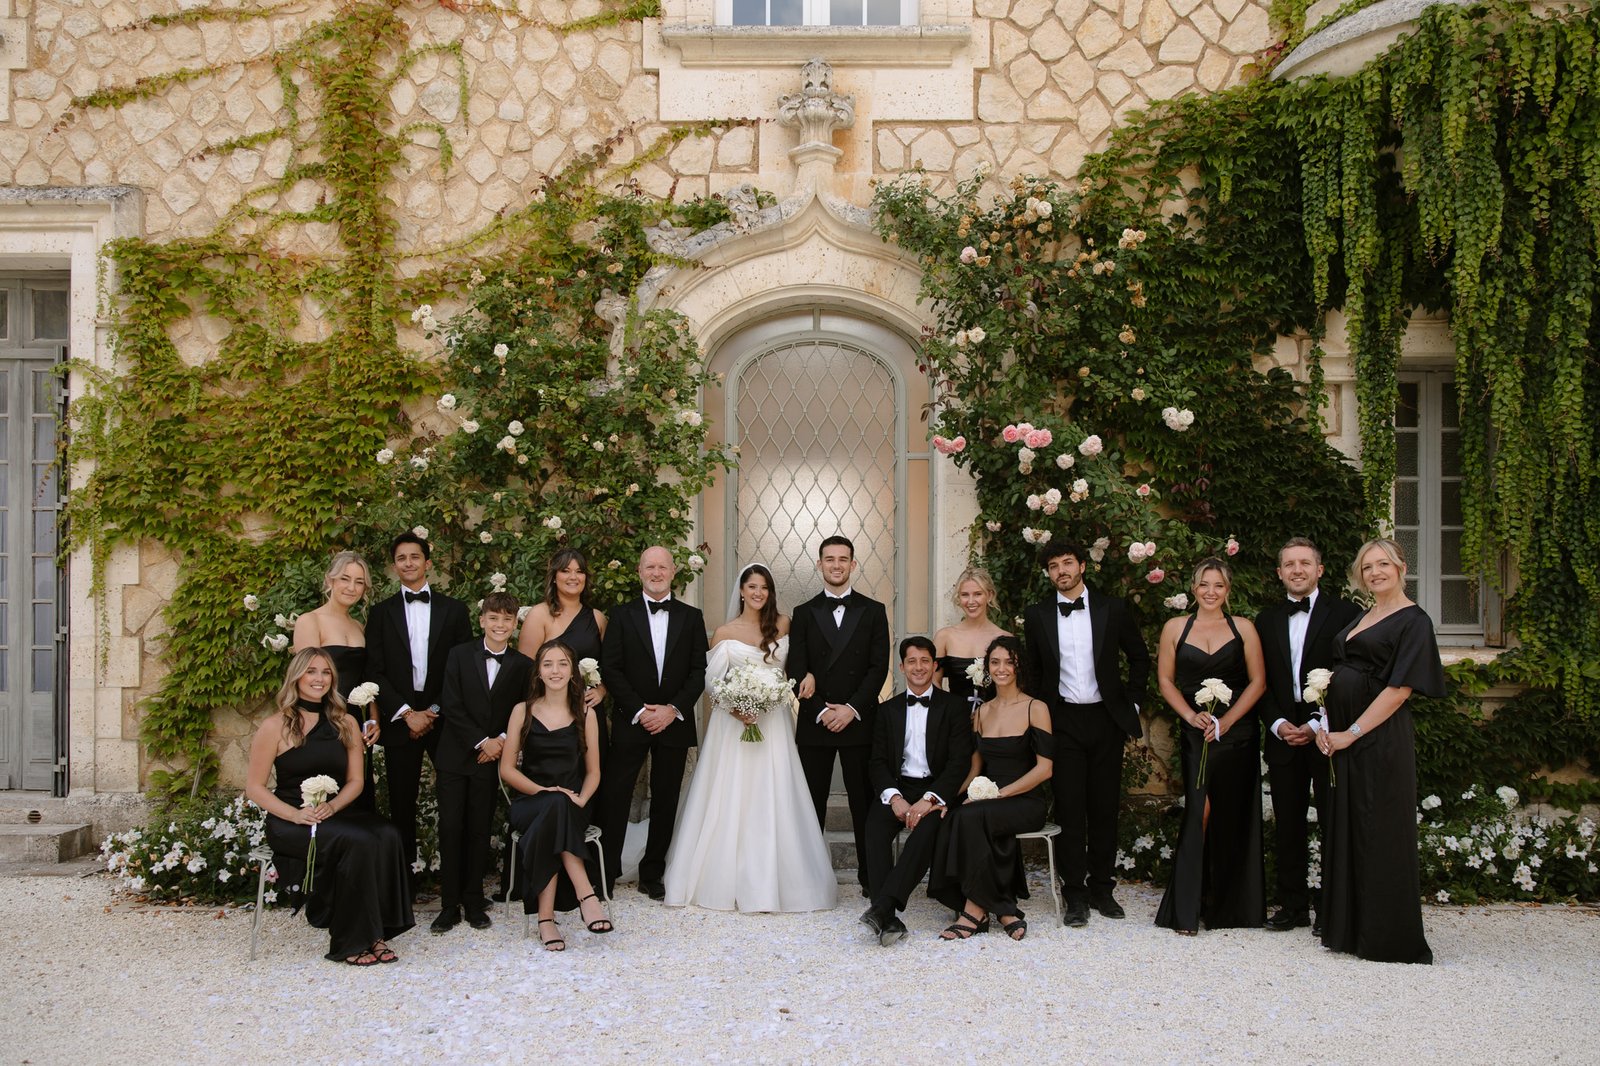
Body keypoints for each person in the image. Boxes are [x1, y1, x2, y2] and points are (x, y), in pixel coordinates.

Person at [663, 563, 837, 912]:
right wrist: (734, 707)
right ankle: (722, 880)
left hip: (773, 723)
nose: (758, 593)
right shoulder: (724, 632)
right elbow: (711, 684)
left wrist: (810, 676)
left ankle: (779, 881)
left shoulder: (784, 624)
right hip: (733, 726)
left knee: (773, 794)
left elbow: (797, 664)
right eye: (752, 587)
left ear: (770, 592)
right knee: (730, 796)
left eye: (764, 588)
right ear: (741, 591)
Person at [1317, 538, 1444, 964]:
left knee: (1380, 830)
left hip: (1378, 739)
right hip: (1344, 739)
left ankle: (1387, 938)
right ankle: (1350, 929)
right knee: (1349, 825)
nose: (1375, 572)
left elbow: (1400, 689)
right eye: (1368, 567)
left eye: (1383, 564)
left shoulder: (1415, 622)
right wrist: (1325, 726)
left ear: (1401, 567)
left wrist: (1351, 732)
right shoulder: (1364, 615)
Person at [244, 648, 413, 964]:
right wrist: (295, 813)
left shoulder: (346, 722)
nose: (319, 679)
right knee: (358, 840)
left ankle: (377, 931)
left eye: (325, 672)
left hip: (334, 813)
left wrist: (333, 807)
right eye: (311, 671)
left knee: (388, 832)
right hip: (291, 820)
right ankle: (351, 940)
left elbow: (355, 782)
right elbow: (254, 788)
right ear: (296, 677)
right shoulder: (275, 726)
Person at [1022, 541, 1151, 928]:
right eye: (1054, 566)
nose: (1061, 570)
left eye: (1067, 563)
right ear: (1048, 573)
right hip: (1062, 723)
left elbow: (1139, 657)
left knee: (1104, 807)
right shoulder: (1037, 615)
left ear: (1082, 567)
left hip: (1106, 719)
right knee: (1069, 809)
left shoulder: (1112, 609)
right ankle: (1074, 893)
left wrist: (1132, 705)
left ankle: (1102, 888)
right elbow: (1035, 671)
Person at [1153, 558, 1268, 935]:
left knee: (1233, 814)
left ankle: (1230, 907)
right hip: (1195, 732)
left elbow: (1258, 682)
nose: (1211, 592)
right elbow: (1166, 681)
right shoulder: (1174, 627)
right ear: (1193, 587)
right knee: (1199, 812)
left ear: (1228, 590)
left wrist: (1228, 720)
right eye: (1204, 584)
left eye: (1218, 585)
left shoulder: (1244, 628)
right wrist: (1190, 716)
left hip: (1237, 735)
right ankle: (1186, 909)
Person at [1256, 537, 1361, 933]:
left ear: (1319, 570)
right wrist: (1278, 724)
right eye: (1289, 564)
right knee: (1288, 824)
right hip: (1282, 735)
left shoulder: (1348, 614)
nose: (1296, 570)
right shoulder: (1265, 620)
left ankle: (1333, 907)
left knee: (1335, 820)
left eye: (1304, 563)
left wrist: (1319, 723)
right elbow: (1258, 681)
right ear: (1279, 573)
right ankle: (1292, 906)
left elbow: (1351, 676)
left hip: (1329, 734)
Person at [598, 546, 709, 900]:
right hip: (632, 720)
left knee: (666, 799)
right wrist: (640, 711)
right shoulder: (621, 615)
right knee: (616, 796)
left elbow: (697, 672)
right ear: (639, 570)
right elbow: (610, 667)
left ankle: (653, 873)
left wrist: (671, 709)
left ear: (673, 571)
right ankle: (606, 873)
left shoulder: (691, 617)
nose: (656, 572)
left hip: (674, 722)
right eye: (650, 566)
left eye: (662, 566)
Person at [364, 531, 473, 881]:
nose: (408, 563)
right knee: (400, 805)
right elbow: (374, 670)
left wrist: (433, 712)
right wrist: (407, 714)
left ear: (428, 562)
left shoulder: (454, 611)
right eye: (401, 558)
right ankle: (402, 887)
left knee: (455, 803)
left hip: (446, 721)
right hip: (400, 723)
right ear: (395, 566)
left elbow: (463, 669)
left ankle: (455, 884)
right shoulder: (380, 614)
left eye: (415, 557)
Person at [929, 636, 1053, 941]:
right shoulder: (982, 712)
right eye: (995, 662)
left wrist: (1001, 793)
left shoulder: (1035, 708)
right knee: (961, 814)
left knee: (974, 816)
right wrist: (950, 798)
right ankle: (1003, 908)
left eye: (1009, 662)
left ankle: (973, 911)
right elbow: (975, 768)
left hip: (1026, 801)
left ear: (1019, 665)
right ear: (987, 668)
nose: (1001, 669)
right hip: (990, 804)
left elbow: (1045, 769)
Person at [786, 535, 891, 898]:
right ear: (819, 565)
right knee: (809, 801)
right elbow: (796, 667)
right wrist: (820, 711)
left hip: (859, 720)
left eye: (842, 559)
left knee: (864, 802)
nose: (836, 565)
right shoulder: (802, 613)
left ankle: (870, 878)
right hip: (816, 721)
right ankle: (810, 879)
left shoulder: (874, 610)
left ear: (853, 565)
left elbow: (879, 668)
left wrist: (851, 709)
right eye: (829, 559)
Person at [859, 635, 973, 944]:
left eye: (925, 661)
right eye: (912, 661)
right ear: (901, 667)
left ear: (935, 666)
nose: (919, 667)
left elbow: (959, 763)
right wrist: (894, 798)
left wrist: (930, 799)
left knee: (924, 833)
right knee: (874, 828)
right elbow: (878, 761)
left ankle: (883, 908)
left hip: (936, 790)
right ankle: (888, 916)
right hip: (898, 787)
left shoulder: (955, 707)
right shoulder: (888, 710)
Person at [431, 591, 533, 935]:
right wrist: (481, 740)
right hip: (456, 755)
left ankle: (474, 900)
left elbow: (523, 710)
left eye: (507, 619)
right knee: (450, 827)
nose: (499, 624)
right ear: (482, 620)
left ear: (515, 624)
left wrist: (502, 742)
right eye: (494, 618)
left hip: (491, 760)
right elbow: (451, 703)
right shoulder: (459, 655)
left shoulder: (522, 665)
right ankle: (449, 904)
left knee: (479, 828)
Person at [501, 640, 612, 950]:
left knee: (558, 809)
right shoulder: (522, 711)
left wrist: (581, 798)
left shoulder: (585, 713)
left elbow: (594, 772)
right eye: (548, 664)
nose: (555, 670)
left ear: (573, 672)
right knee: (554, 804)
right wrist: (544, 790)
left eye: (562, 663)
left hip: (573, 805)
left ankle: (545, 920)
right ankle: (587, 895)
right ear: (538, 672)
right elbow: (507, 770)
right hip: (529, 801)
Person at [293, 550, 378, 810]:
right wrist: (338, 719)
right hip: (323, 720)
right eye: (345, 579)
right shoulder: (310, 621)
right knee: (327, 793)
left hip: (357, 723)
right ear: (330, 580)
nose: (351, 587)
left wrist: (373, 718)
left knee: (358, 793)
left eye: (359, 582)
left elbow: (366, 678)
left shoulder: (359, 626)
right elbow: (308, 680)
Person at [933, 568, 1010, 717]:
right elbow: (934, 683)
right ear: (958, 598)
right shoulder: (945, 637)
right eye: (965, 595)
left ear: (990, 595)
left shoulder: (1005, 639)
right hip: (955, 722)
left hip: (995, 721)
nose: (971, 601)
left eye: (978, 594)